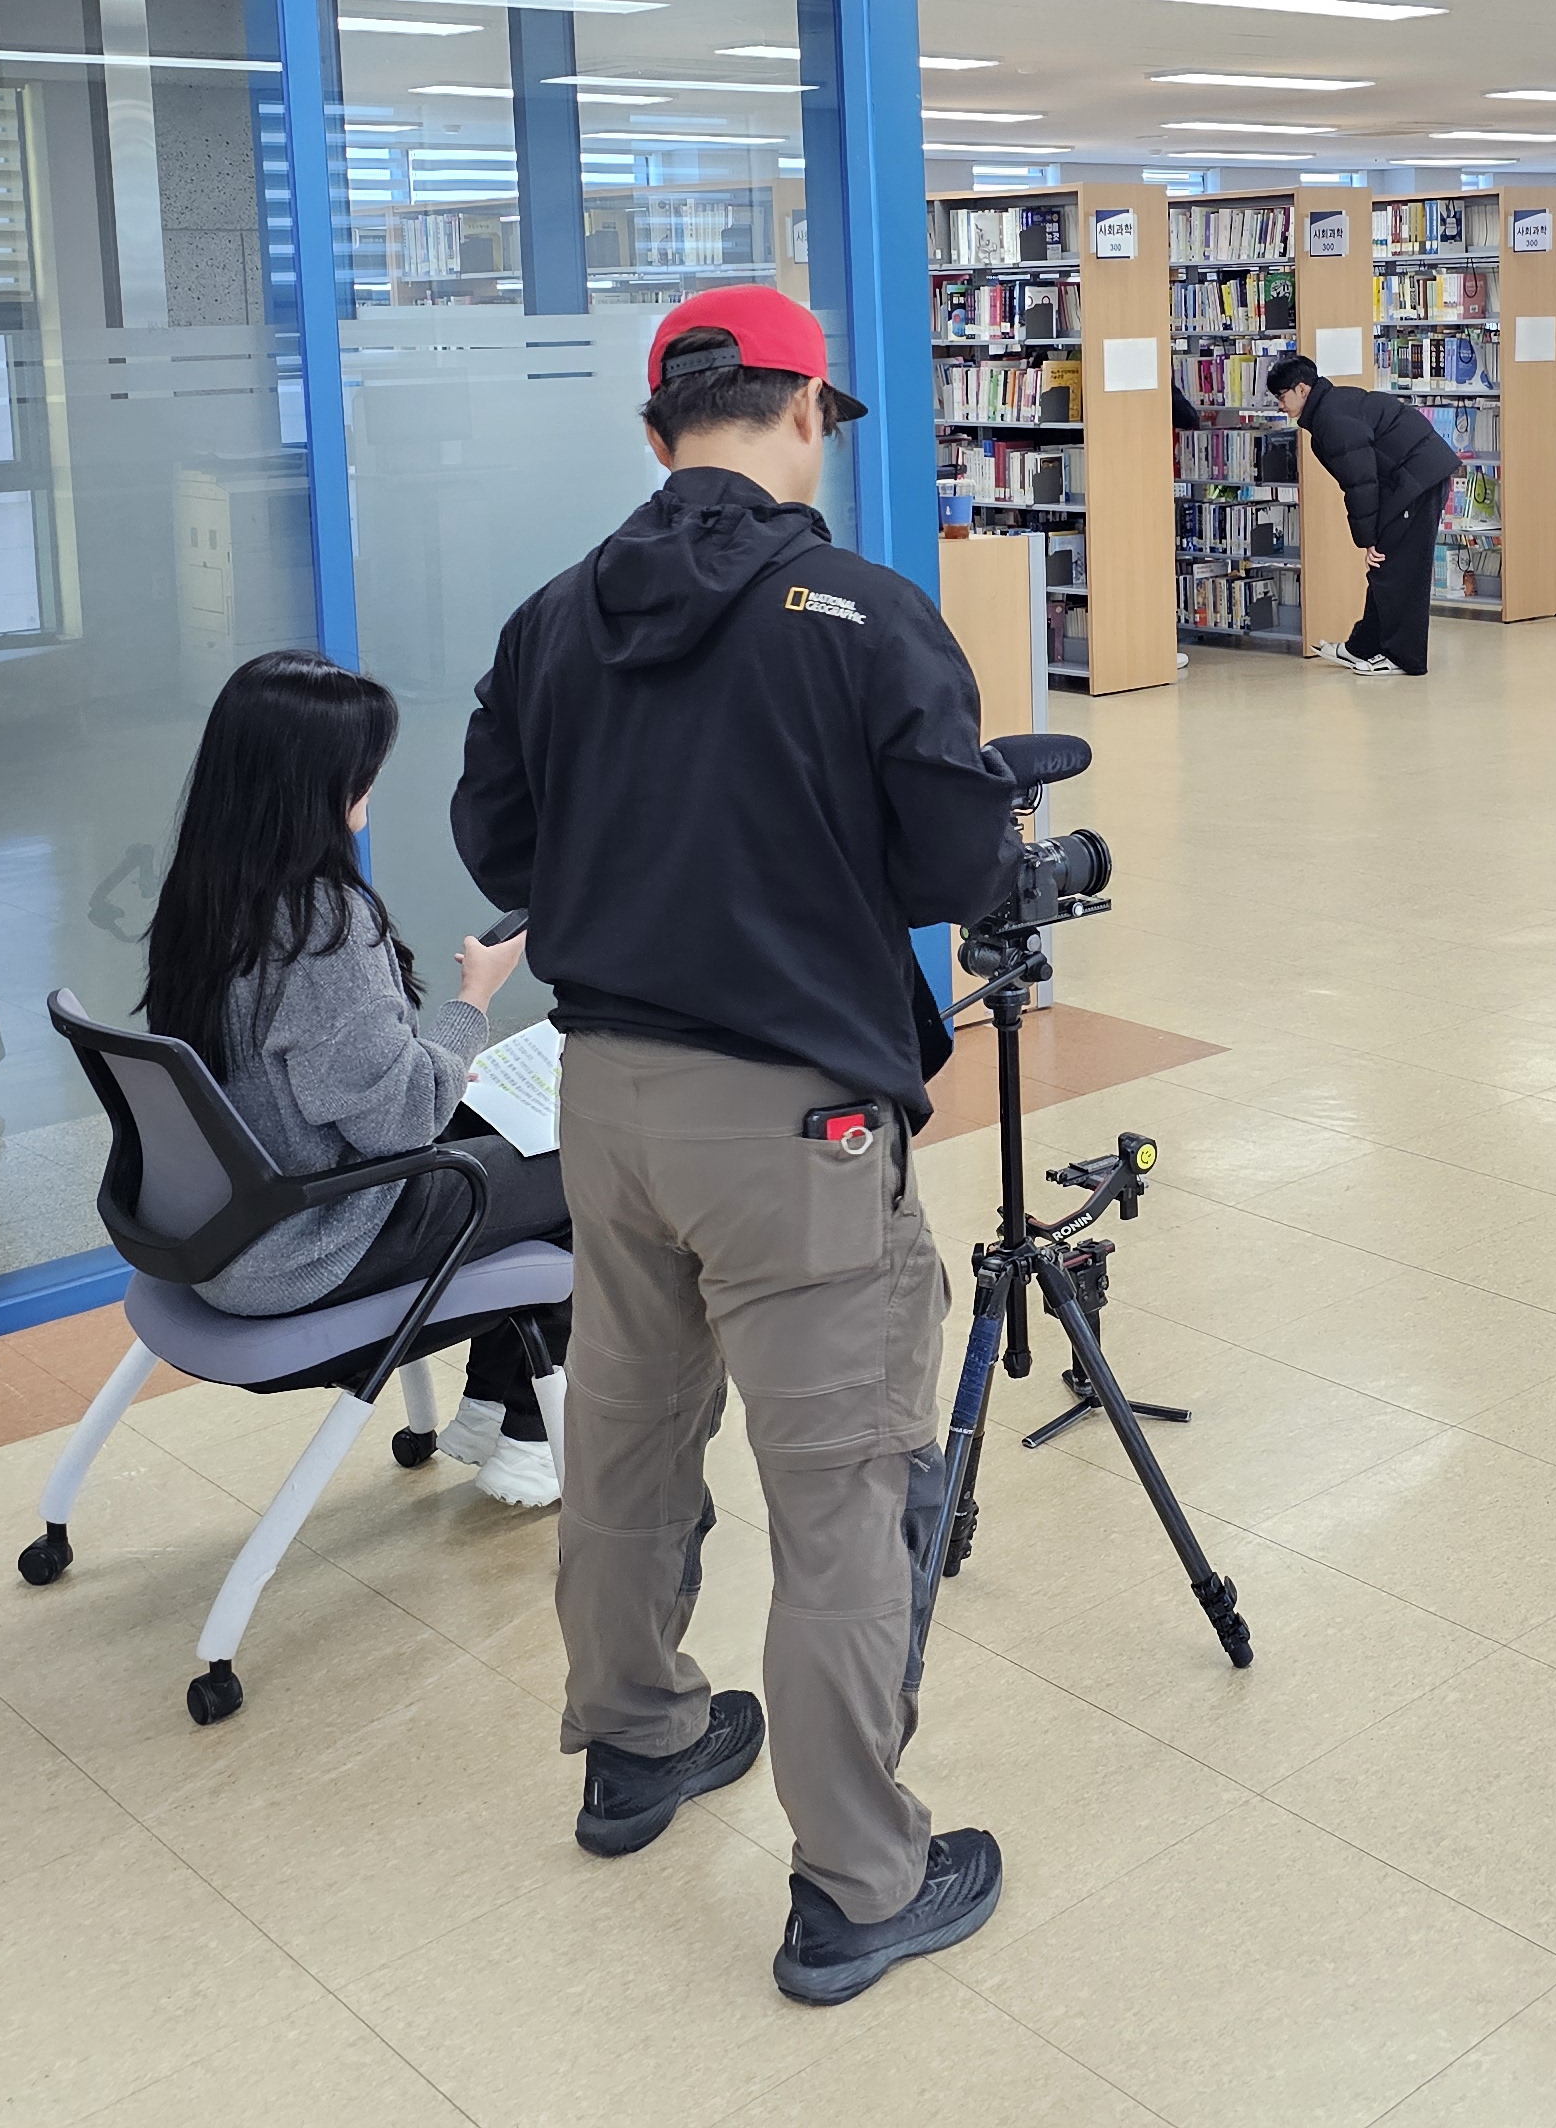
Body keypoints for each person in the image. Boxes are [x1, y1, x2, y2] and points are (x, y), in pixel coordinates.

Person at [451, 283, 1021, 2007]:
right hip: (795, 1125)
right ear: (803, 415)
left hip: (606, 1100)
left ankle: (633, 1742)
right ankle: (860, 1881)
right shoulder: (864, 615)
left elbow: (501, 848)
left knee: (628, 1437)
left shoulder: (550, 621)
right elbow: (955, 863)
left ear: (655, 432)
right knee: (840, 1493)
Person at [141, 650, 568, 1506]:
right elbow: (401, 1121)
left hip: (227, 1226)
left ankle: (492, 1406)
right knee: (596, 1161)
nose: (372, 781)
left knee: (508, 1135)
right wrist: (475, 999)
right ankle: (530, 1434)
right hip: (310, 1242)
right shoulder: (321, 924)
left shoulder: (203, 894)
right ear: (317, 782)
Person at [1266, 351, 1457, 678]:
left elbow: (1360, 482)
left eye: (1282, 397)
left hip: (1417, 480)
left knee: (1399, 570)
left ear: (1302, 389)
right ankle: (1363, 647)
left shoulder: (1332, 420)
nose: (1280, 406)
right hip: (1410, 477)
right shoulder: (1331, 407)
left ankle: (1403, 658)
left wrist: (1369, 538)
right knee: (1388, 568)